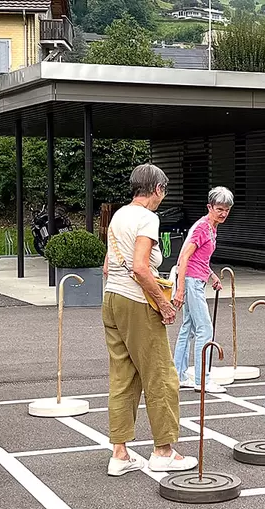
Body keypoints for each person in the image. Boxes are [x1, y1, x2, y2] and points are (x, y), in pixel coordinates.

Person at [103, 163, 197, 477]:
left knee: (123, 375)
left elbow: (108, 266)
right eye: (163, 191)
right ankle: (164, 451)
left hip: (111, 299)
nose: (162, 197)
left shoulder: (118, 216)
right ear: (156, 189)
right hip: (136, 301)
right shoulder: (147, 217)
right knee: (160, 374)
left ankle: (120, 453)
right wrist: (164, 304)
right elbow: (141, 268)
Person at [173, 187, 233, 394]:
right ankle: (202, 379)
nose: (223, 213)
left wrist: (212, 275)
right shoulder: (201, 227)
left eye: (227, 209)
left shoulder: (211, 227)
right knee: (204, 329)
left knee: (188, 328)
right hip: (191, 282)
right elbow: (184, 258)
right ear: (209, 207)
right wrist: (180, 289)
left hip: (196, 279)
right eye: (219, 209)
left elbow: (200, 259)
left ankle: (178, 375)